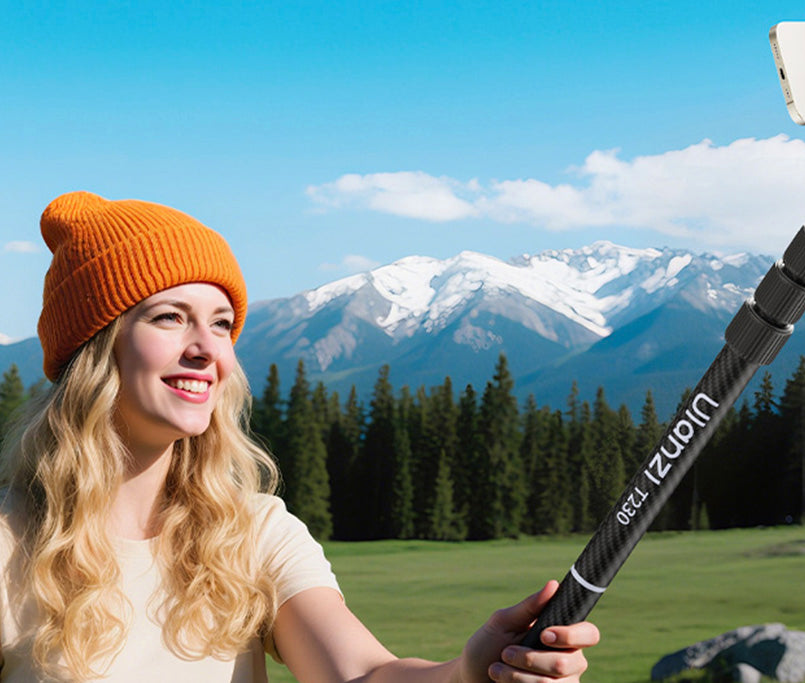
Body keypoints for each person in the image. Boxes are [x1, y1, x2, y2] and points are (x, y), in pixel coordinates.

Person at [0, 191, 600, 682]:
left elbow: (363, 674)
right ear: (95, 349)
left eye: (222, 324)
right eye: (168, 317)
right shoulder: (8, 546)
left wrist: (471, 671)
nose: (208, 351)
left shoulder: (253, 533)